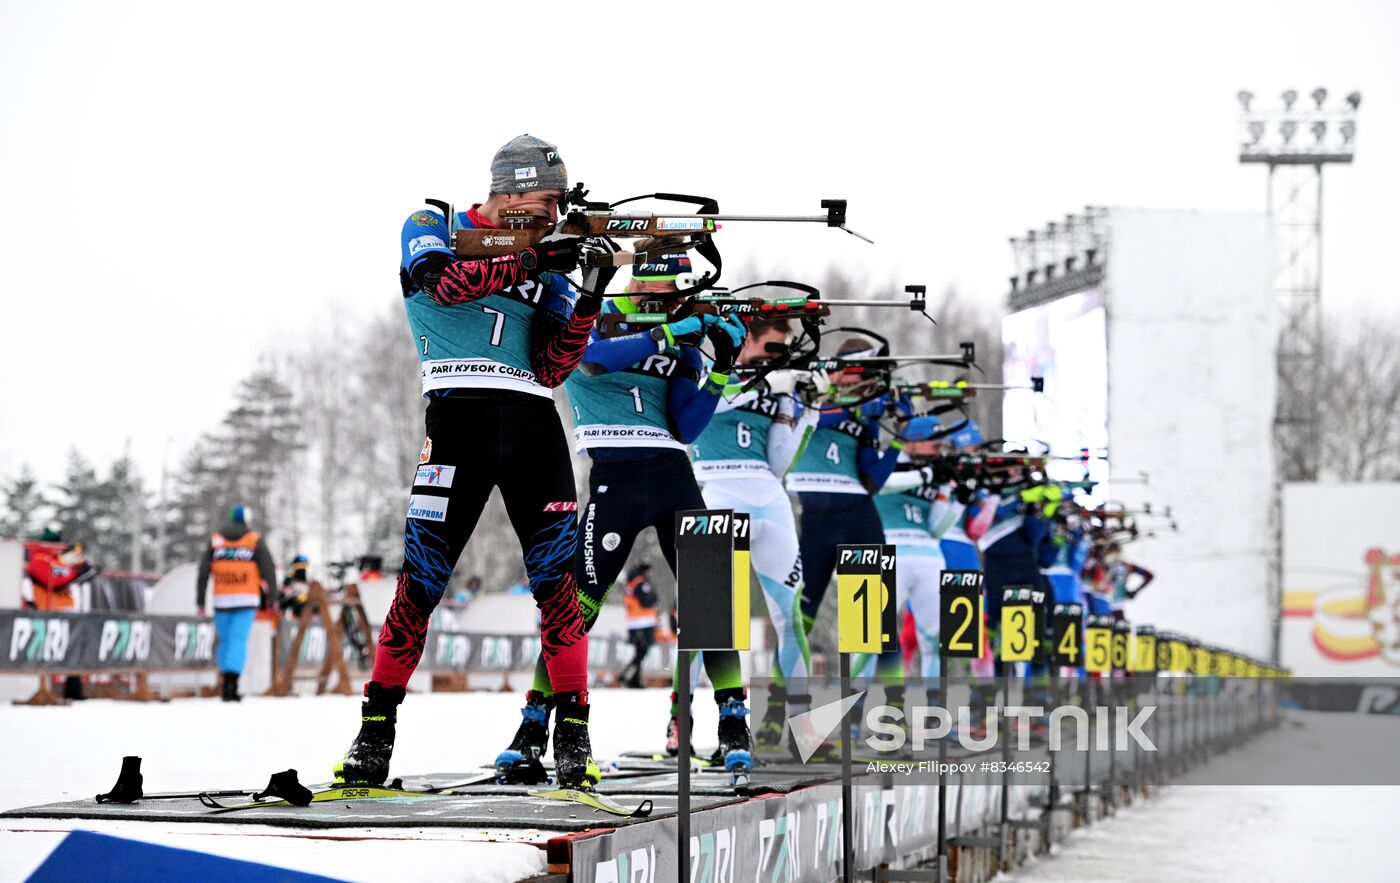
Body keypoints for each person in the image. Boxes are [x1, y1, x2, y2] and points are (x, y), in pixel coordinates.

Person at [338, 134, 612, 790]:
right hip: (456, 421)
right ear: (511, 190)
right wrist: (535, 255)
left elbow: (552, 363)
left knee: (558, 588)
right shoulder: (434, 224)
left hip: (531, 426)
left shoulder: (543, 259)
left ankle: (573, 731)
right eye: (544, 203)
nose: (550, 216)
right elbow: (445, 282)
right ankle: (375, 730)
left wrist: (590, 294)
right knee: (422, 581)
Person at [501, 249, 750, 781]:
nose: (669, 307)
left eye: (677, 300)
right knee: (577, 608)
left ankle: (733, 721)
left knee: (713, 603)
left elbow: (687, 426)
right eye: (659, 298)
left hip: (673, 476)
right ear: (640, 287)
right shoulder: (598, 313)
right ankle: (532, 726)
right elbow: (589, 359)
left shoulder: (680, 337)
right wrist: (666, 332)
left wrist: (721, 368)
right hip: (613, 478)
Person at [690, 316, 821, 746]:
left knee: (791, 621)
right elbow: (716, 403)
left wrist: (807, 413)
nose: (776, 358)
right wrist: (769, 382)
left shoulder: (778, 383)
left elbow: (780, 461)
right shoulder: (713, 366)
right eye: (770, 348)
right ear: (746, 339)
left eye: (782, 352)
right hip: (718, 491)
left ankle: (800, 727)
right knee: (704, 621)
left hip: (770, 497)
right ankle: (681, 722)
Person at [784, 336, 904, 720]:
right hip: (813, 519)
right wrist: (859, 404)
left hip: (857, 513)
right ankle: (780, 711)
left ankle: (881, 712)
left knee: (872, 625)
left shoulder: (865, 413)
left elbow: (873, 478)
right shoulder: (814, 387)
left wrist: (898, 435)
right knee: (798, 615)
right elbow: (810, 415)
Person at [196, 505, 276, 702]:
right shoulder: (253, 539)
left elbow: (203, 572)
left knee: (225, 641)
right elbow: (268, 569)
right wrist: (272, 597)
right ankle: (232, 682)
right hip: (246, 600)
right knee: (238, 640)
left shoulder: (216, 540)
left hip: (221, 600)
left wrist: (200, 600)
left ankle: (225, 681)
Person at [619, 563, 659, 689]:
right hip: (643, 621)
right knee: (642, 652)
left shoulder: (632, 582)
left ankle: (634, 680)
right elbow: (646, 601)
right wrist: (654, 598)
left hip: (635, 620)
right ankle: (626, 676)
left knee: (639, 652)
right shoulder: (640, 583)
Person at [278, 554, 310, 618]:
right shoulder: (288, 580)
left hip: (306, 609)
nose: (301, 570)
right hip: (291, 608)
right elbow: (283, 598)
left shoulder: (309, 580)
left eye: (303, 567)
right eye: (299, 566)